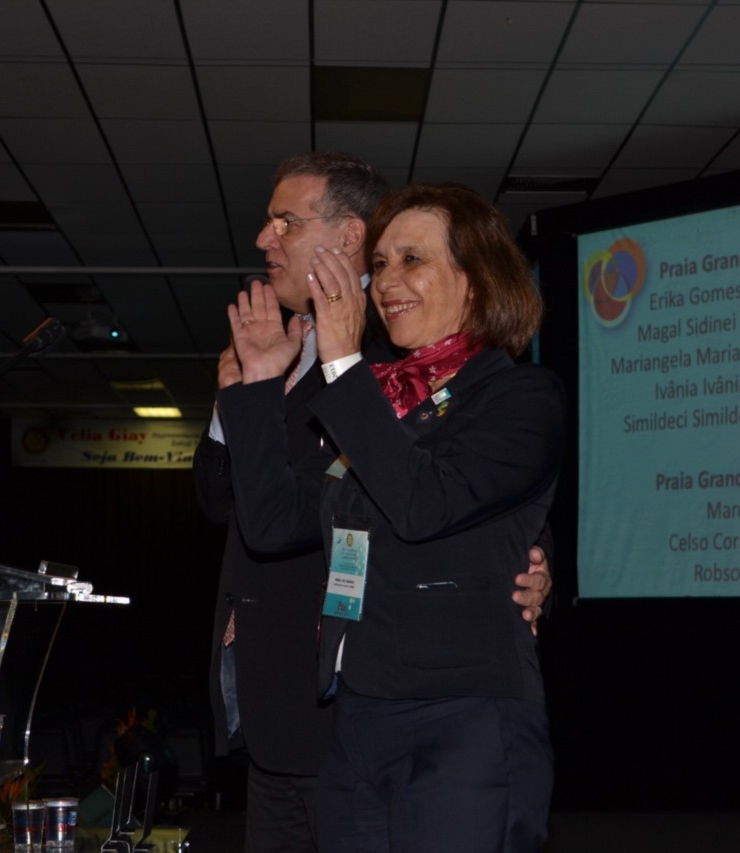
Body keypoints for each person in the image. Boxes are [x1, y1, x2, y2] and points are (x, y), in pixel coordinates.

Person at [192, 154, 552, 853]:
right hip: (359, 711)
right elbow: (271, 522)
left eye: (411, 260)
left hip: (460, 710)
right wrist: (256, 389)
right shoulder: (385, 395)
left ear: (478, 279)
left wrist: (342, 363)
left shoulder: (517, 393)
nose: (385, 280)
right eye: (381, 263)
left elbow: (432, 502)